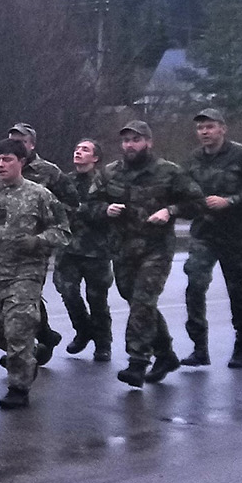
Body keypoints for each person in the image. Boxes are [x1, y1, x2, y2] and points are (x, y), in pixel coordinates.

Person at [90, 121, 204, 389]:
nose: (130, 145)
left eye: (136, 140)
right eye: (126, 140)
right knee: (139, 303)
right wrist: (105, 210)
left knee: (143, 300)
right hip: (122, 249)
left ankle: (137, 361)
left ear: (149, 142)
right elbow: (90, 204)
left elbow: (198, 203)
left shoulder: (169, 172)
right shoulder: (109, 173)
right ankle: (165, 354)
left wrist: (170, 211)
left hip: (156, 249)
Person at [0, 139, 70, 409]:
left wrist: (36, 241)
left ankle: (18, 386)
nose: (1, 165)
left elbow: (63, 231)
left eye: (7, 160)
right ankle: (28, 356)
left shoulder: (39, 195)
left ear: (22, 162)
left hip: (25, 272)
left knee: (18, 328)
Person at [181, 108, 242, 369]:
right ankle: (199, 348)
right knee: (195, 286)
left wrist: (230, 201)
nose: (204, 132)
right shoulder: (194, 159)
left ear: (222, 128)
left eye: (209, 126)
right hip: (203, 234)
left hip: (235, 235)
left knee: (237, 290)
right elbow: (185, 191)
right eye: (200, 128)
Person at [0, 122, 78, 365]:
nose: (16, 144)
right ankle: (43, 336)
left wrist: (44, 221)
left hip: (36, 247)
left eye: (21, 141)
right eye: (13, 139)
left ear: (32, 145)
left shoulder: (48, 172)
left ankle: (24, 353)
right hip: (4, 247)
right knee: (6, 299)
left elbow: (72, 203)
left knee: (25, 297)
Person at [54, 139, 115, 361]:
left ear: (95, 158)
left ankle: (103, 344)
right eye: (77, 148)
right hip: (68, 248)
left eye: (85, 150)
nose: (79, 152)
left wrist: (87, 211)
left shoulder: (104, 183)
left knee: (97, 298)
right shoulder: (65, 181)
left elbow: (110, 211)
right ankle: (83, 330)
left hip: (96, 249)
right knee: (67, 291)